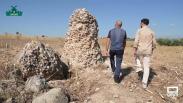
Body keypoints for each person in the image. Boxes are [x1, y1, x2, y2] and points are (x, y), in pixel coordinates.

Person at [133, 18, 157, 88]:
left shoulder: (139, 31)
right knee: (146, 67)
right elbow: (154, 43)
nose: (140, 24)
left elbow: (136, 41)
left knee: (136, 57)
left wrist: (134, 50)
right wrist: (152, 49)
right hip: (148, 51)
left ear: (142, 23)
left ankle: (139, 67)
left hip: (140, 50)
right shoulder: (152, 31)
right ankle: (144, 84)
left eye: (140, 23)